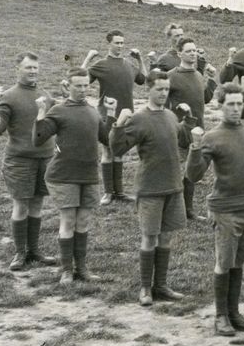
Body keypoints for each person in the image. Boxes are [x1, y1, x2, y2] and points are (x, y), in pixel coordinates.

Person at [186, 83, 244, 336]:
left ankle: (234, 313)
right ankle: (220, 316)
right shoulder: (212, 137)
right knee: (224, 263)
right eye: (231, 104)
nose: (236, 109)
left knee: (239, 262)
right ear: (220, 105)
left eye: (240, 104)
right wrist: (195, 146)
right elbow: (194, 175)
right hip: (226, 210)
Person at [109, 70, 195, 306]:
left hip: (173, 187)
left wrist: (189, 120)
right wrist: (118, 124)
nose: (163, 93)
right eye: (159, 89)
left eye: (166, 89)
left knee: (166, 238)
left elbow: (184, 139)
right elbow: (117, 149)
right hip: (150, 188)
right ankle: (145, 288)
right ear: (148, 89)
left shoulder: (169, 115)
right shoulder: (139, 118)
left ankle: (161, 285)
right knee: (149, 238)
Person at [33, 68, 116, 285]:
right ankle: (67, 270)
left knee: (84, 221)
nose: (82, 89)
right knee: (68, 220)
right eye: (77, 85)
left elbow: (107, 139)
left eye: (85, 85)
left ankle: (82, 268)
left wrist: (112, 114)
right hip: (64, 175)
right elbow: (38, 139)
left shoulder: (92, 112)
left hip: (88, 175)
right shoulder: (59, 111)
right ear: (67, 86)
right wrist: (41, 113)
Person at [0, 52, 56, 270]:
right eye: (28, 68)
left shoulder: (45, 95)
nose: (33, 71)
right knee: (21, 205)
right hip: (19, 161)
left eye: (35, 67)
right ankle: (19, 253)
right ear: (17, 69)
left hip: (44, 159)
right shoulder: (9, 96)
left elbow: (51, 127)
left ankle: (34, 251)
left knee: (37, 204)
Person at [82, 30, 148, 204]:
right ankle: (108, 192)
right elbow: (79, 79)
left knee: (119, 151)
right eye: (117, 43)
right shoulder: (101, 64)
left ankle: (119, 192)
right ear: (109, 44)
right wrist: (88, 59)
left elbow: (144, 79)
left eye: (122, 43)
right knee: (107, 150)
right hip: (107, 114)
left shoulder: (128, 65)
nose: (120, 46)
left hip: (126, 114)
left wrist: (140, 59)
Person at [166, 37, 218, 220]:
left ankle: (188, 210)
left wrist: (211, 81)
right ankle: (173, 209)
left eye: (195, 50)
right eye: (189, 51)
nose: (193, 54)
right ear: (179, 53)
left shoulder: (197, 74)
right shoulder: (171, 76)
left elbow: (205, 99)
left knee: (191, 171)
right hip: (180, 131)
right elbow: (164, 106)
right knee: (178, 171)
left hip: (198, 129)